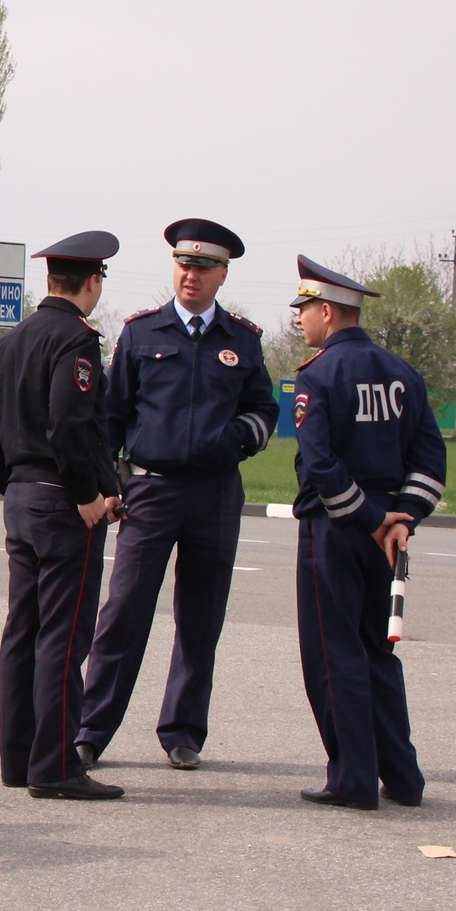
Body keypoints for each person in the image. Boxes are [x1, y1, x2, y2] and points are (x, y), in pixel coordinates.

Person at [75, 220, 279, 772]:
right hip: (151, 492)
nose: (191, 276)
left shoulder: (243, 339)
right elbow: (112, 414)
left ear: (222, 274)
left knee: (201, 617)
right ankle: (90, 729)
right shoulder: (143, 333)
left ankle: (183, 731)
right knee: (123, 613)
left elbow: (264, 412)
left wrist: (235, 439)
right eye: (184, 265)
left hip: (214, 495)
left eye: (203, 267)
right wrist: (109, 483)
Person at [286, 256, 444, 810]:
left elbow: (322, 465)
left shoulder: (317, 375)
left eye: (304, 311)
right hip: (388, 535)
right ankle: (403, 778)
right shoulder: (403, 373)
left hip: (335, 528)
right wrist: (402, 518)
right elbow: (429, 461)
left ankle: (352, 779)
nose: (300, 321)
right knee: (379, 653)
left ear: (327, 312)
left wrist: (370, 518)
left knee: (334, 656)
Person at [0, 231, 125, 800]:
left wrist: (10, 484)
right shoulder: (77, 342)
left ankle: (19, 759)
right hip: (64, 503)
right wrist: (87, 492)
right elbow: (70, 422)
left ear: (48, 281)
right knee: (62, 637)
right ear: (92, 282)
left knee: (23, 631)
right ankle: (57, 764)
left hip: (22, 497)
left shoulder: (14, 340)